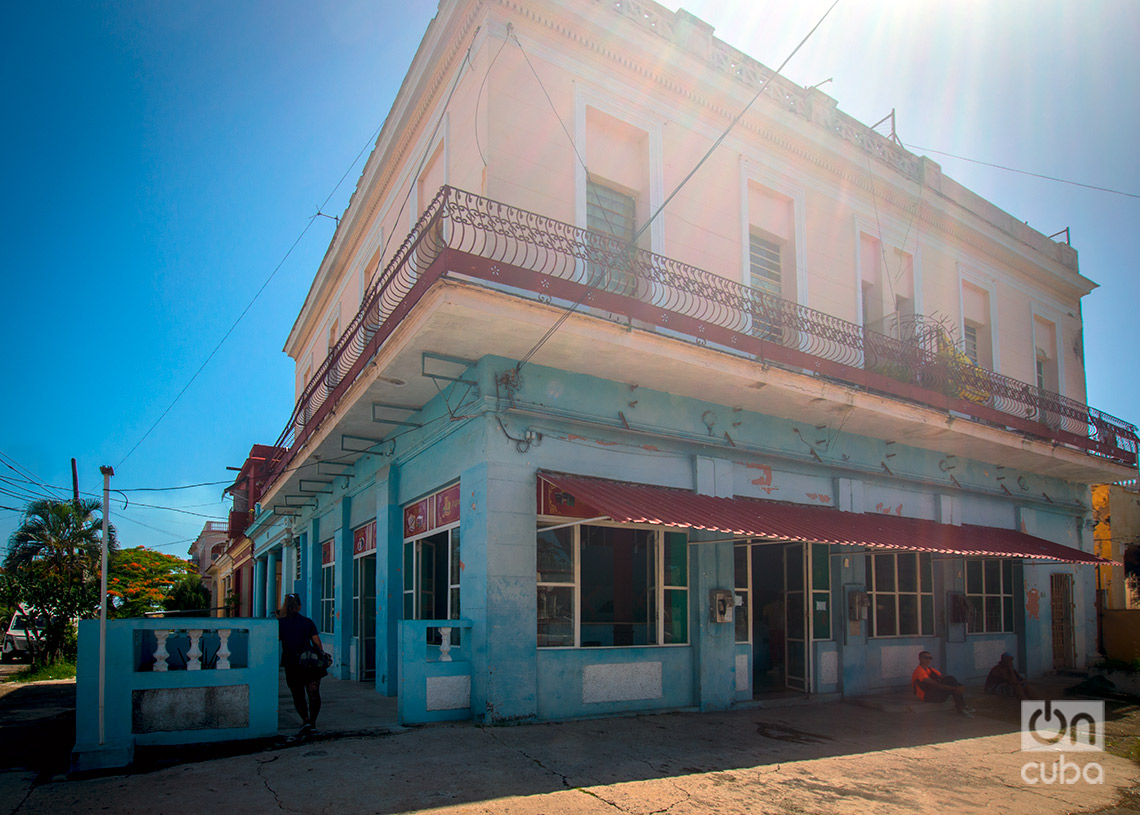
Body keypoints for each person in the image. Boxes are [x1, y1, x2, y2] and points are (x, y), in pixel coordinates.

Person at [278, 593, 327, 737]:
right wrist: (321, 656)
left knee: (297, 694)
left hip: (292, 663)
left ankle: (305, 720)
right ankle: (312, 722)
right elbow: (317, 642)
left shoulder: (281, 624)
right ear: (299, 607)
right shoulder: (307, 622)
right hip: (310, 662)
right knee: (313, 693)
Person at [911, 650, 974, 717]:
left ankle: (962, 707)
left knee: (950, 679)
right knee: (953, 687)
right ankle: (962, 707)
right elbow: (936, 684)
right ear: (920, 658)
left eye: (930, 658)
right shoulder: (919, 671)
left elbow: (945, 679)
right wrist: (956, 687)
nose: (928, 660)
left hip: (934, 693)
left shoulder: (931, 670)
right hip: (927, 696)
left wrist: (959, 686)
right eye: (925, 658)